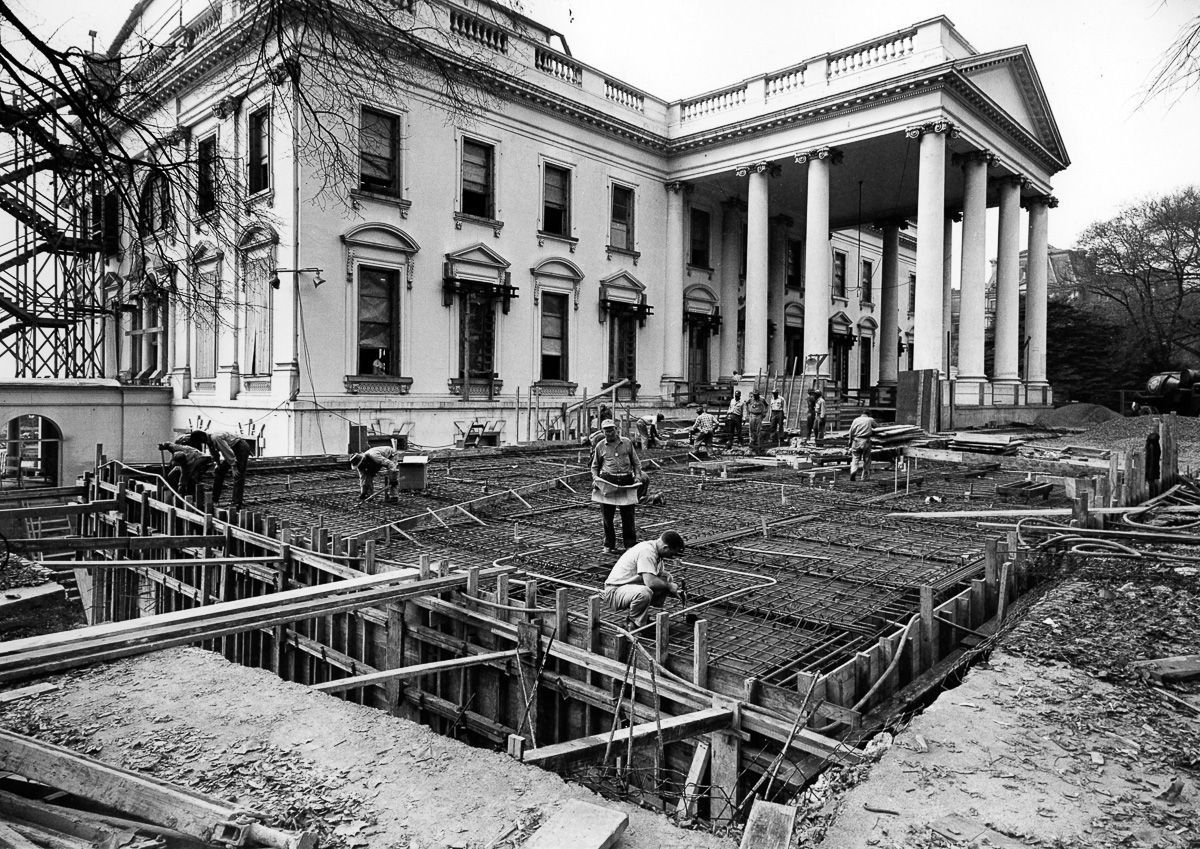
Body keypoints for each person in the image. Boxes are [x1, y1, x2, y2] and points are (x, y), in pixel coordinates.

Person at [602, 530, 686, 628]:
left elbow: (658, 578)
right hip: (614, 592)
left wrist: (675, 590)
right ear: (665, 547)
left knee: (666, 577)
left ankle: (641, 617)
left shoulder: (655, 551)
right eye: (672, 553)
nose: (672, 556)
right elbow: (650, 582)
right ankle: (633, 624)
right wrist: (669, 585)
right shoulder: (647, 552)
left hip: (627, 588)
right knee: (644, 592)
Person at [591, 418, 645, 553]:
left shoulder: (626, 443)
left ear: (616, 430)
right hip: (608, 481)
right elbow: (595, 466)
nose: (609, 433)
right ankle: (609, 544)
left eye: (611, 430)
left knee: (628, 515)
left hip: (626, 480)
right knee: (607, 516)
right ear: (603, 432)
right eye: (606, 431)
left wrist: (637, 477)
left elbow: (636, 463)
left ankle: (630, 544)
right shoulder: (600, 446)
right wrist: (596, 478)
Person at [178, 429, 253, 513]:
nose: (202, 443)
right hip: (233, 450)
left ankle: (236, 504)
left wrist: (234, 467)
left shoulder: (216, 438)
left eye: (201, 441)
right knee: (219, 472)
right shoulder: (209, 441)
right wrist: (218, 464)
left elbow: (226, 451)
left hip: (240, 447)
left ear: (203, 437)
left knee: (238, 475)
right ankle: (214, 499)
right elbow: (214, 453)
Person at [847, 410, 878, 481]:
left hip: (855, 440)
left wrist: (850, 442)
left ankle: (853, 472)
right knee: (866, 459)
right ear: (868, 414)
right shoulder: (870, 419)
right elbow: (876, 426)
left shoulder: (855, 420)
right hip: (865, 441)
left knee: (855, 458)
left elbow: (850, 432)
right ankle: (864, 477)